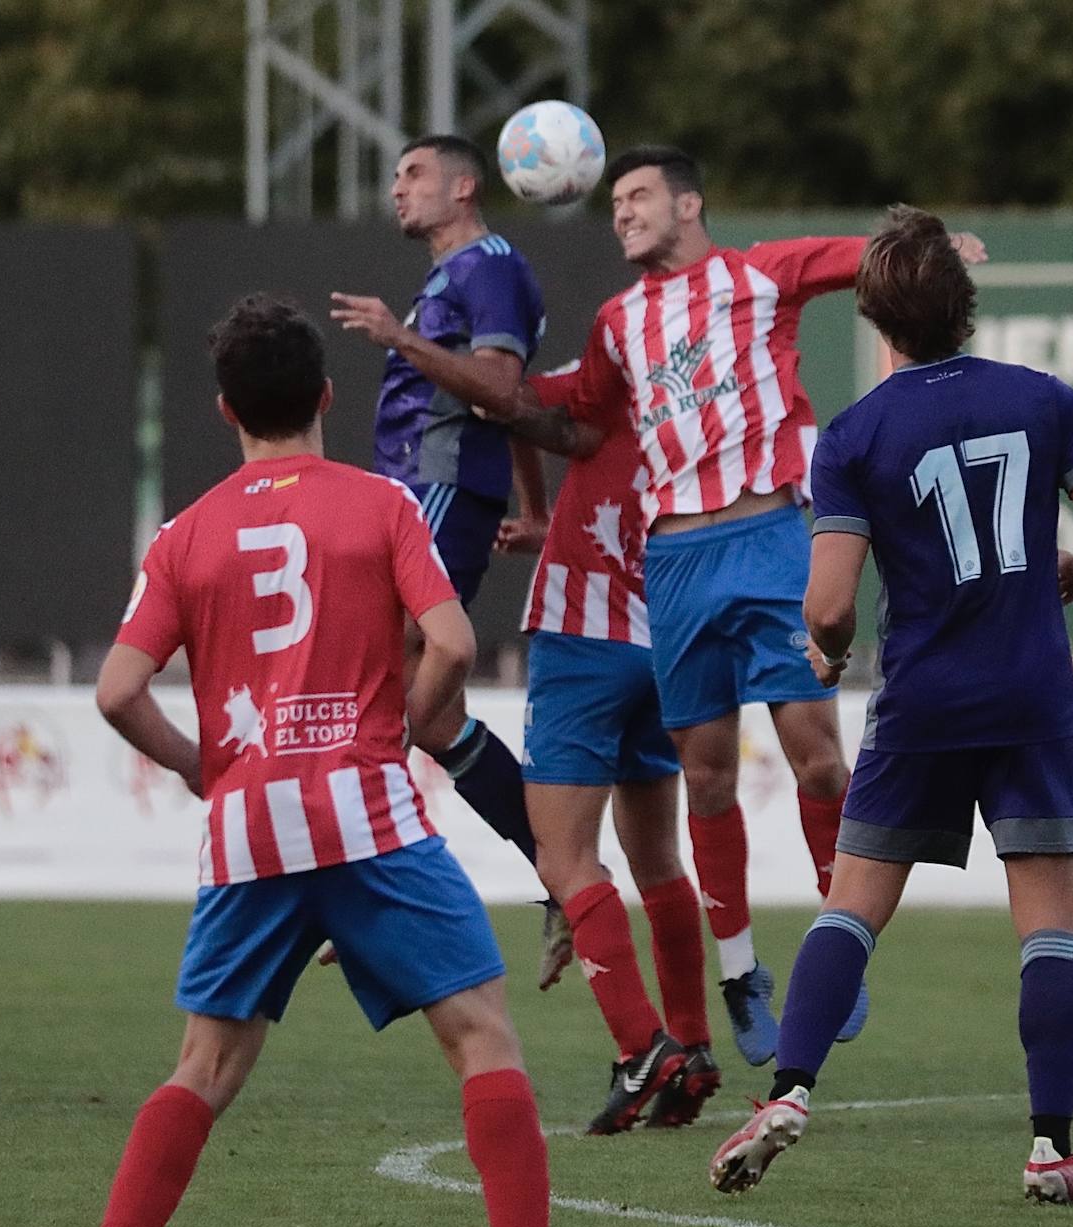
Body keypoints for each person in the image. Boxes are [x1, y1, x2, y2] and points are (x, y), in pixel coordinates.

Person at [64, 295, 608, 1227]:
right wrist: (390, 734)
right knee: (482, 1038)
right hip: (365, 814)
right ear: (324, 395)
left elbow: (116, 691)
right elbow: (448, 640)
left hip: (248, 826)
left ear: (228, 410)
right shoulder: (380, 504)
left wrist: (199, 769)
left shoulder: (185, 536)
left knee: (206, 1065)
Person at [492, 149, 985, 1063]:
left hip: (769, 542)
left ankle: (842, 954)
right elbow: (578, 416)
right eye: (615, 203)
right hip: (672, 559)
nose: (622, 214)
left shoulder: (760, 275)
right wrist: (480, 385)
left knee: (818, 760)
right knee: (707, 774)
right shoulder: (616, 322)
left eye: (638, 197)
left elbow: (865, 259)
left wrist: (937, 251)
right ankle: (739, 974)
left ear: (690, 203)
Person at [708, 205, 1073, 1202]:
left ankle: (789, 1090)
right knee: (1047, 924)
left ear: (877, 323)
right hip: (1030, 695)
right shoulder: (1043, 398)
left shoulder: (856, 434)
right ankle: (1050, 1148)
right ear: (967, 311)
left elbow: (826, 604)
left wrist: (825, 653)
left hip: (923, 702)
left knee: (852, 906)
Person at [329, 135, 572, 990]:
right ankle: (562, 872)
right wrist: (535, 509)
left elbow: (501, 387)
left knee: (386, 672)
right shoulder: (452, 276)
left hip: (434, 495)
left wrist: (398, 337)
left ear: (465, 186)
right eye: (395, 175)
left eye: (414, 173)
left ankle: (370, 882)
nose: (397, 188)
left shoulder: (489, 266)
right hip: (416, 496)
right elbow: (504, 403)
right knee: (431, 719)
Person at [499, 361, 717, 1134]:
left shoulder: (592, 382)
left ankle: (640, 1049)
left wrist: (536, 505)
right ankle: (690, 1047)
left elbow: (506, 397)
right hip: (665, 648)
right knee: (659, 863)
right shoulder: (702, 411)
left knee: (565, 859)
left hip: (583, 644)